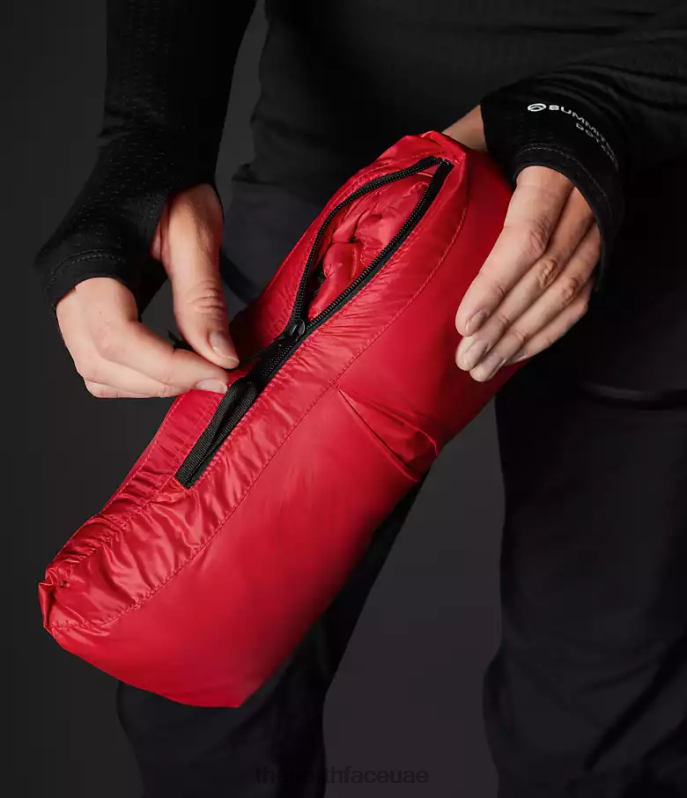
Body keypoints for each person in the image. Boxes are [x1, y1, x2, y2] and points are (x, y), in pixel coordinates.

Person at [34, 1, 687, 796]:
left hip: (646, 175)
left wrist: (603, 105)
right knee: (188, 688)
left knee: (602, 737)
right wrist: (146, 141)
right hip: (352, 213)